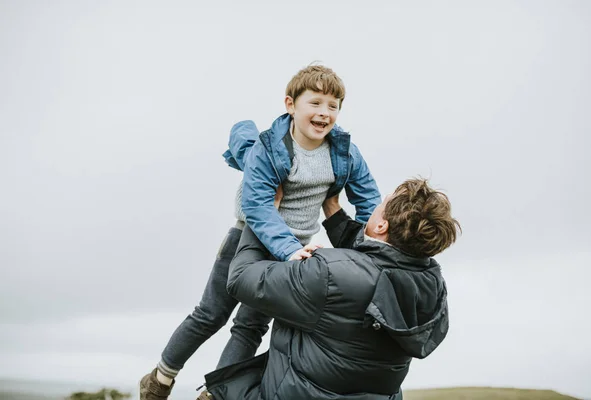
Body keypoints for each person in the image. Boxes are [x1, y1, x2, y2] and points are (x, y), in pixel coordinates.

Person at [138, 64, 381, 400]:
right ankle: (159, 379)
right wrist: (287, 249)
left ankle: (215, 394)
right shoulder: (269, 149)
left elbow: (369, 199)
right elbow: (258, 206)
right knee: (211, 314)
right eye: (315, 103)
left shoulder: (344, 152)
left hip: (294, 249)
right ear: (290, 104)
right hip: (247, 239)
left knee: (251, 326)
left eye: (333, 106)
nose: (325, 113)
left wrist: (369, 246)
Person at [198, 178, 461, 400]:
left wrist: (264, 215)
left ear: (382, 226)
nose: (376, 206)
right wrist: (332, 208)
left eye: (381, 204)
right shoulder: (431, 286)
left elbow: (241, 277)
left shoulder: (327, 273)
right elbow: (373, 264)